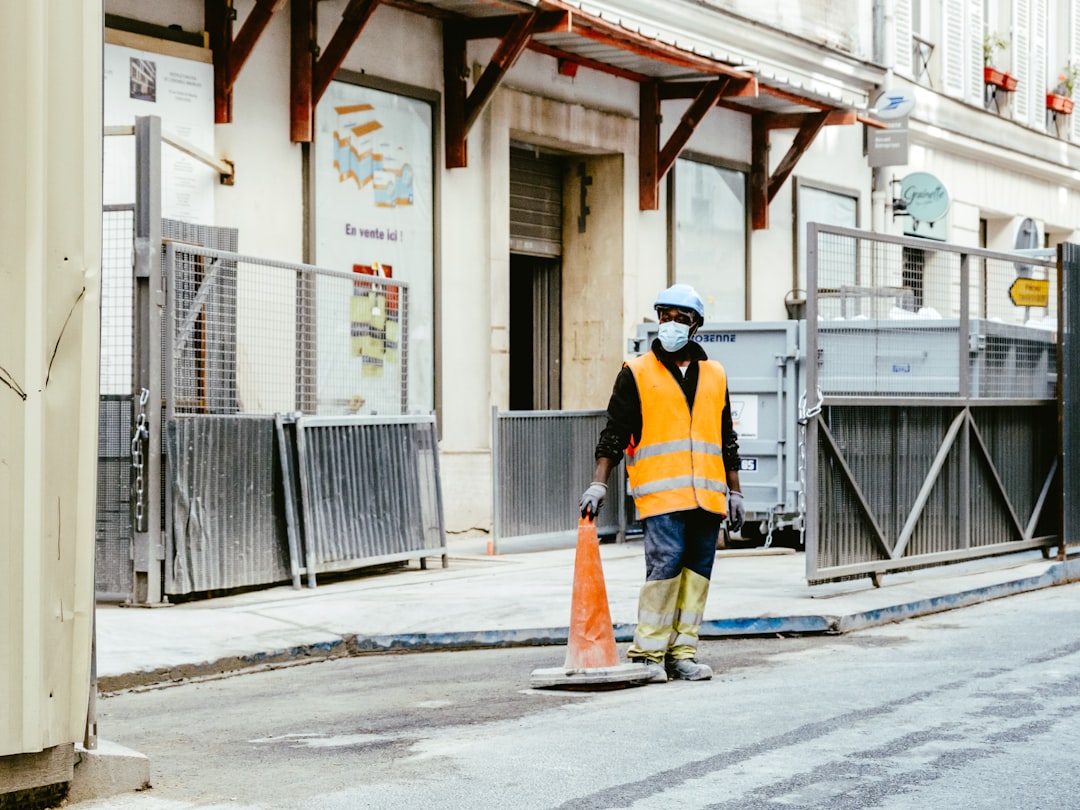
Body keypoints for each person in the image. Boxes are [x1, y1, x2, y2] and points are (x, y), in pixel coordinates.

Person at [578, 283, 744, 683]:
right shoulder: (636, 372)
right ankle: (648, 654)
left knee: (697, 574)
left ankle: (682, 652)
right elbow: (614, 433)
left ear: (695, 325)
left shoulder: (715, 374)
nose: (669, 325)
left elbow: (726, 438)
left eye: (679, 318)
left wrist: (735, 490)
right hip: (661, 496)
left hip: (707, 497)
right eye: (664, 316)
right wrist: (599, 483)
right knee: (665, 570)